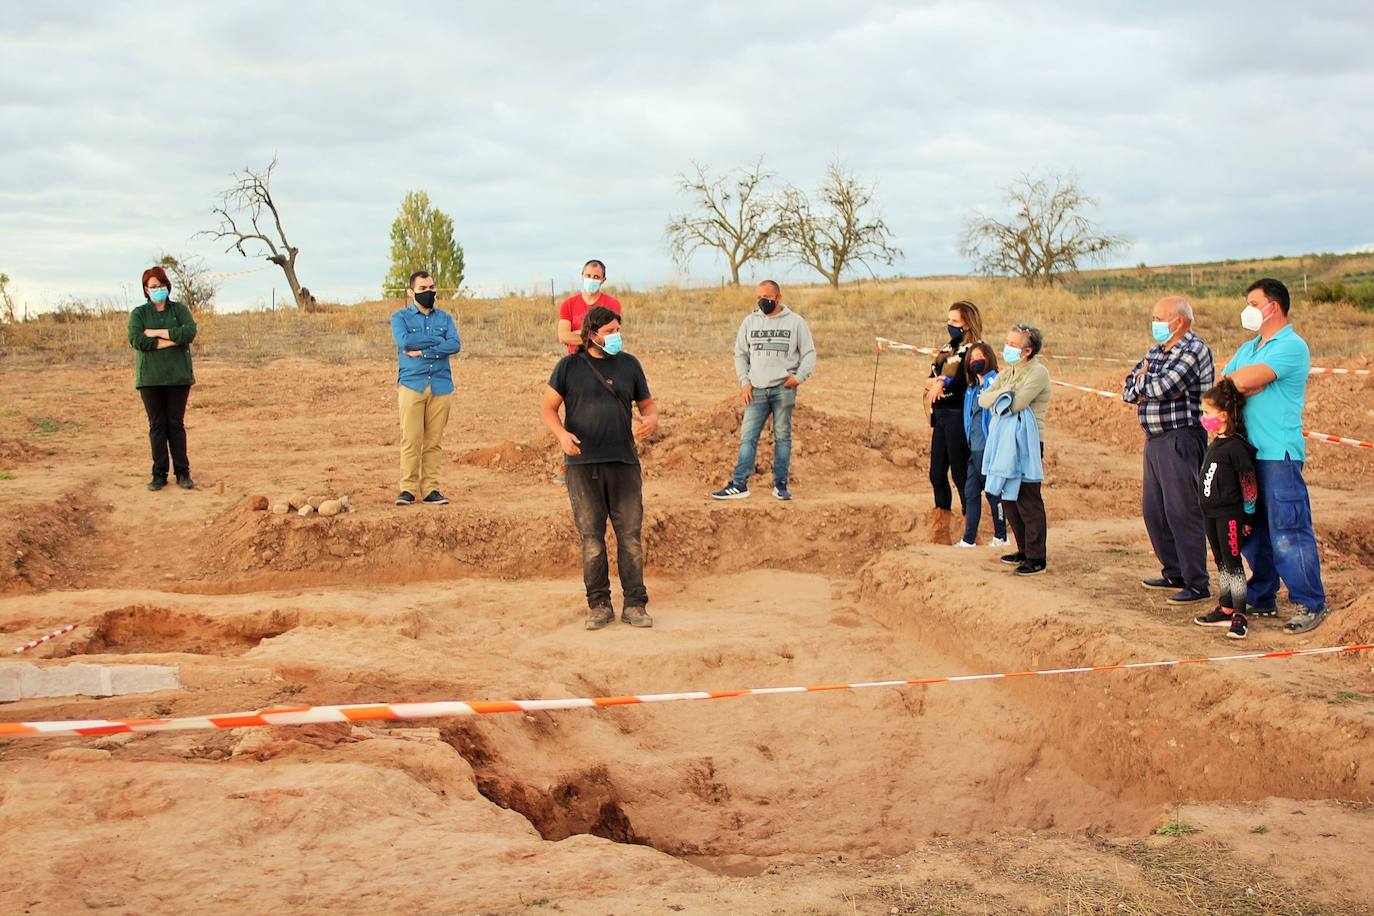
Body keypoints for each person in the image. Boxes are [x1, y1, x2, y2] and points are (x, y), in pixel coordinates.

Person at [1222, 278, 1328, 634]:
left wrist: (1245, 382)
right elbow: (1227, 383)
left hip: (1278, 454)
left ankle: (1309, 601)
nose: (1247, 309)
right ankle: (1262, 595)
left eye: (1253, 303)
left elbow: (1246, 381)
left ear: (1273, 306)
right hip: (1247, 455)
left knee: (1289, 529)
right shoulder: (1250, 347)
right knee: (1253, 530)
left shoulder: (1292, 346)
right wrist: (1244, 381)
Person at [543, 306, 659, 629]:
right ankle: (599, 604)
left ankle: (635, 603)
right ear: (591, 334)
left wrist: (651, 420)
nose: (616, 336)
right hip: (582, 466)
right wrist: (562, 435)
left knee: (630, 536)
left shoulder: (630, 365)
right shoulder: (568, 367)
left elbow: (648, 405)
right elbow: (548, 409)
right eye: (609, 331)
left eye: (617, 330)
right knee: (591, 538)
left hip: (624, 462)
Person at [1122, 296, 1215, 604]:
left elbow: (1164, 388)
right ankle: (1173, 570)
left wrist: (1142, 382)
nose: (1156, 323)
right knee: (1155, 511)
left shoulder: (1193, 349)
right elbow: (1127, 389)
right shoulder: (1156, 350)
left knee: (1182, 510)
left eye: (1160, 318)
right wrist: (1142, 382)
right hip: (1155, 439)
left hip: (1181, 438)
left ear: (1180, 321)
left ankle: (1197, 581)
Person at [711, 281, 817, 501]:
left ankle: (780, 485)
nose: (762, 301)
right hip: (756, 389)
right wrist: (744, 382)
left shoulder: (796, 322)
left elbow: (809, 353)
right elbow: (740, 354)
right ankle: (739, 484)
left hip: (783, 389)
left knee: (782, 437)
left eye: (766, 297)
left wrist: (798, 378)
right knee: (748, 437)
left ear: (778, 297)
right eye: (758, 297)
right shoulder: (749, 322)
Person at [978, 324, 1051, 576]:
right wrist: (1004, 393)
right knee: (1008, 497)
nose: (1006, 347)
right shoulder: (1007, 373)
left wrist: (1001, 395)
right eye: (1006, 342)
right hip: (1002, 441)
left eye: (1012, 344)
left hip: (1027, 442)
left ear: (1027, 351)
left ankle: (1036, 557)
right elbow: (983, 398)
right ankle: (1023, 549)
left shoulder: (1038, 372)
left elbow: (1017, 403)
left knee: (1028, 497)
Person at [1192, 379, 1258, 640]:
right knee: (1220, 561)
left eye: (1207, 413)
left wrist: (1249, 515)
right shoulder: (1216, 443)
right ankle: (1226, 605)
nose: (1203, 417)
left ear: (1223, 415)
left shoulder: (1236, 447)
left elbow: (1249, 483)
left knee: (1233, 564)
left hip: (1229, 515)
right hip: (1211, 513)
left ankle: (1240, 614)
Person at [390, 270, 461, 506]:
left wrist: (425, 351)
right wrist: (438, 343)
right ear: (411, 292)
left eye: (431, 288)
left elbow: (455, 344)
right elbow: (405, 342)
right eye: (422, 289)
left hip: (441, 385)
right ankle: (407, 489)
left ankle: (430, 488)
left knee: (434, 441)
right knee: (411, 439)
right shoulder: (400, 318)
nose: (428, 292)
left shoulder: (445, 318)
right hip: (412, 384)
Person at [127, 266, 198, 491]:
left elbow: (189, 333)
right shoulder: (139, 314)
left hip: (178, 377)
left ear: (168, 285)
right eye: (153, 287)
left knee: (175, 424)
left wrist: (156, 333)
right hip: (150, 379)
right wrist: (173, 338)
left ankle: (182, 472)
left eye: (161, 285)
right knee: (157, 425)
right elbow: (138, 341)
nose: (158, 290)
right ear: (146, 290)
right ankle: (159, 474)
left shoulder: (179, 310)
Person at [925, 301, 982, 533]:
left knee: (960, 474)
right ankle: (940, 531)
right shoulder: (947, 349)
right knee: (936, 473)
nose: (950, 325)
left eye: (955, 321)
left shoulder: (974, 350)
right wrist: (936, 381)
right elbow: (930, 376)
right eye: (948, 320)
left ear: (967, 323)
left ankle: (971, 530)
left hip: (959, 416)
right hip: (939, 416)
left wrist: (942, 383)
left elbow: (964, 382)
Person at [954, 342, 1008, 548]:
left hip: (987, 447)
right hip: (973, 447)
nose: (975, 360)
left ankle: (1001, 536)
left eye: (980, 356)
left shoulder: (995, 382)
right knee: (971, 492)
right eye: (972, 357)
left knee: (993, 492)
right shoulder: (971, 389)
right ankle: (969, 539)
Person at [557, 259, 622, 355]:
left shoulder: (613, 304)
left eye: (596, 277)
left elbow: (611, 339)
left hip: (603, 358)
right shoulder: (568, 304)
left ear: (603, 280)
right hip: (576, 359)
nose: (591, 280)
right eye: (588, 276)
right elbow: (563, 337)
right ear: (582, 276)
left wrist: (576, 334)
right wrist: (596, 337)